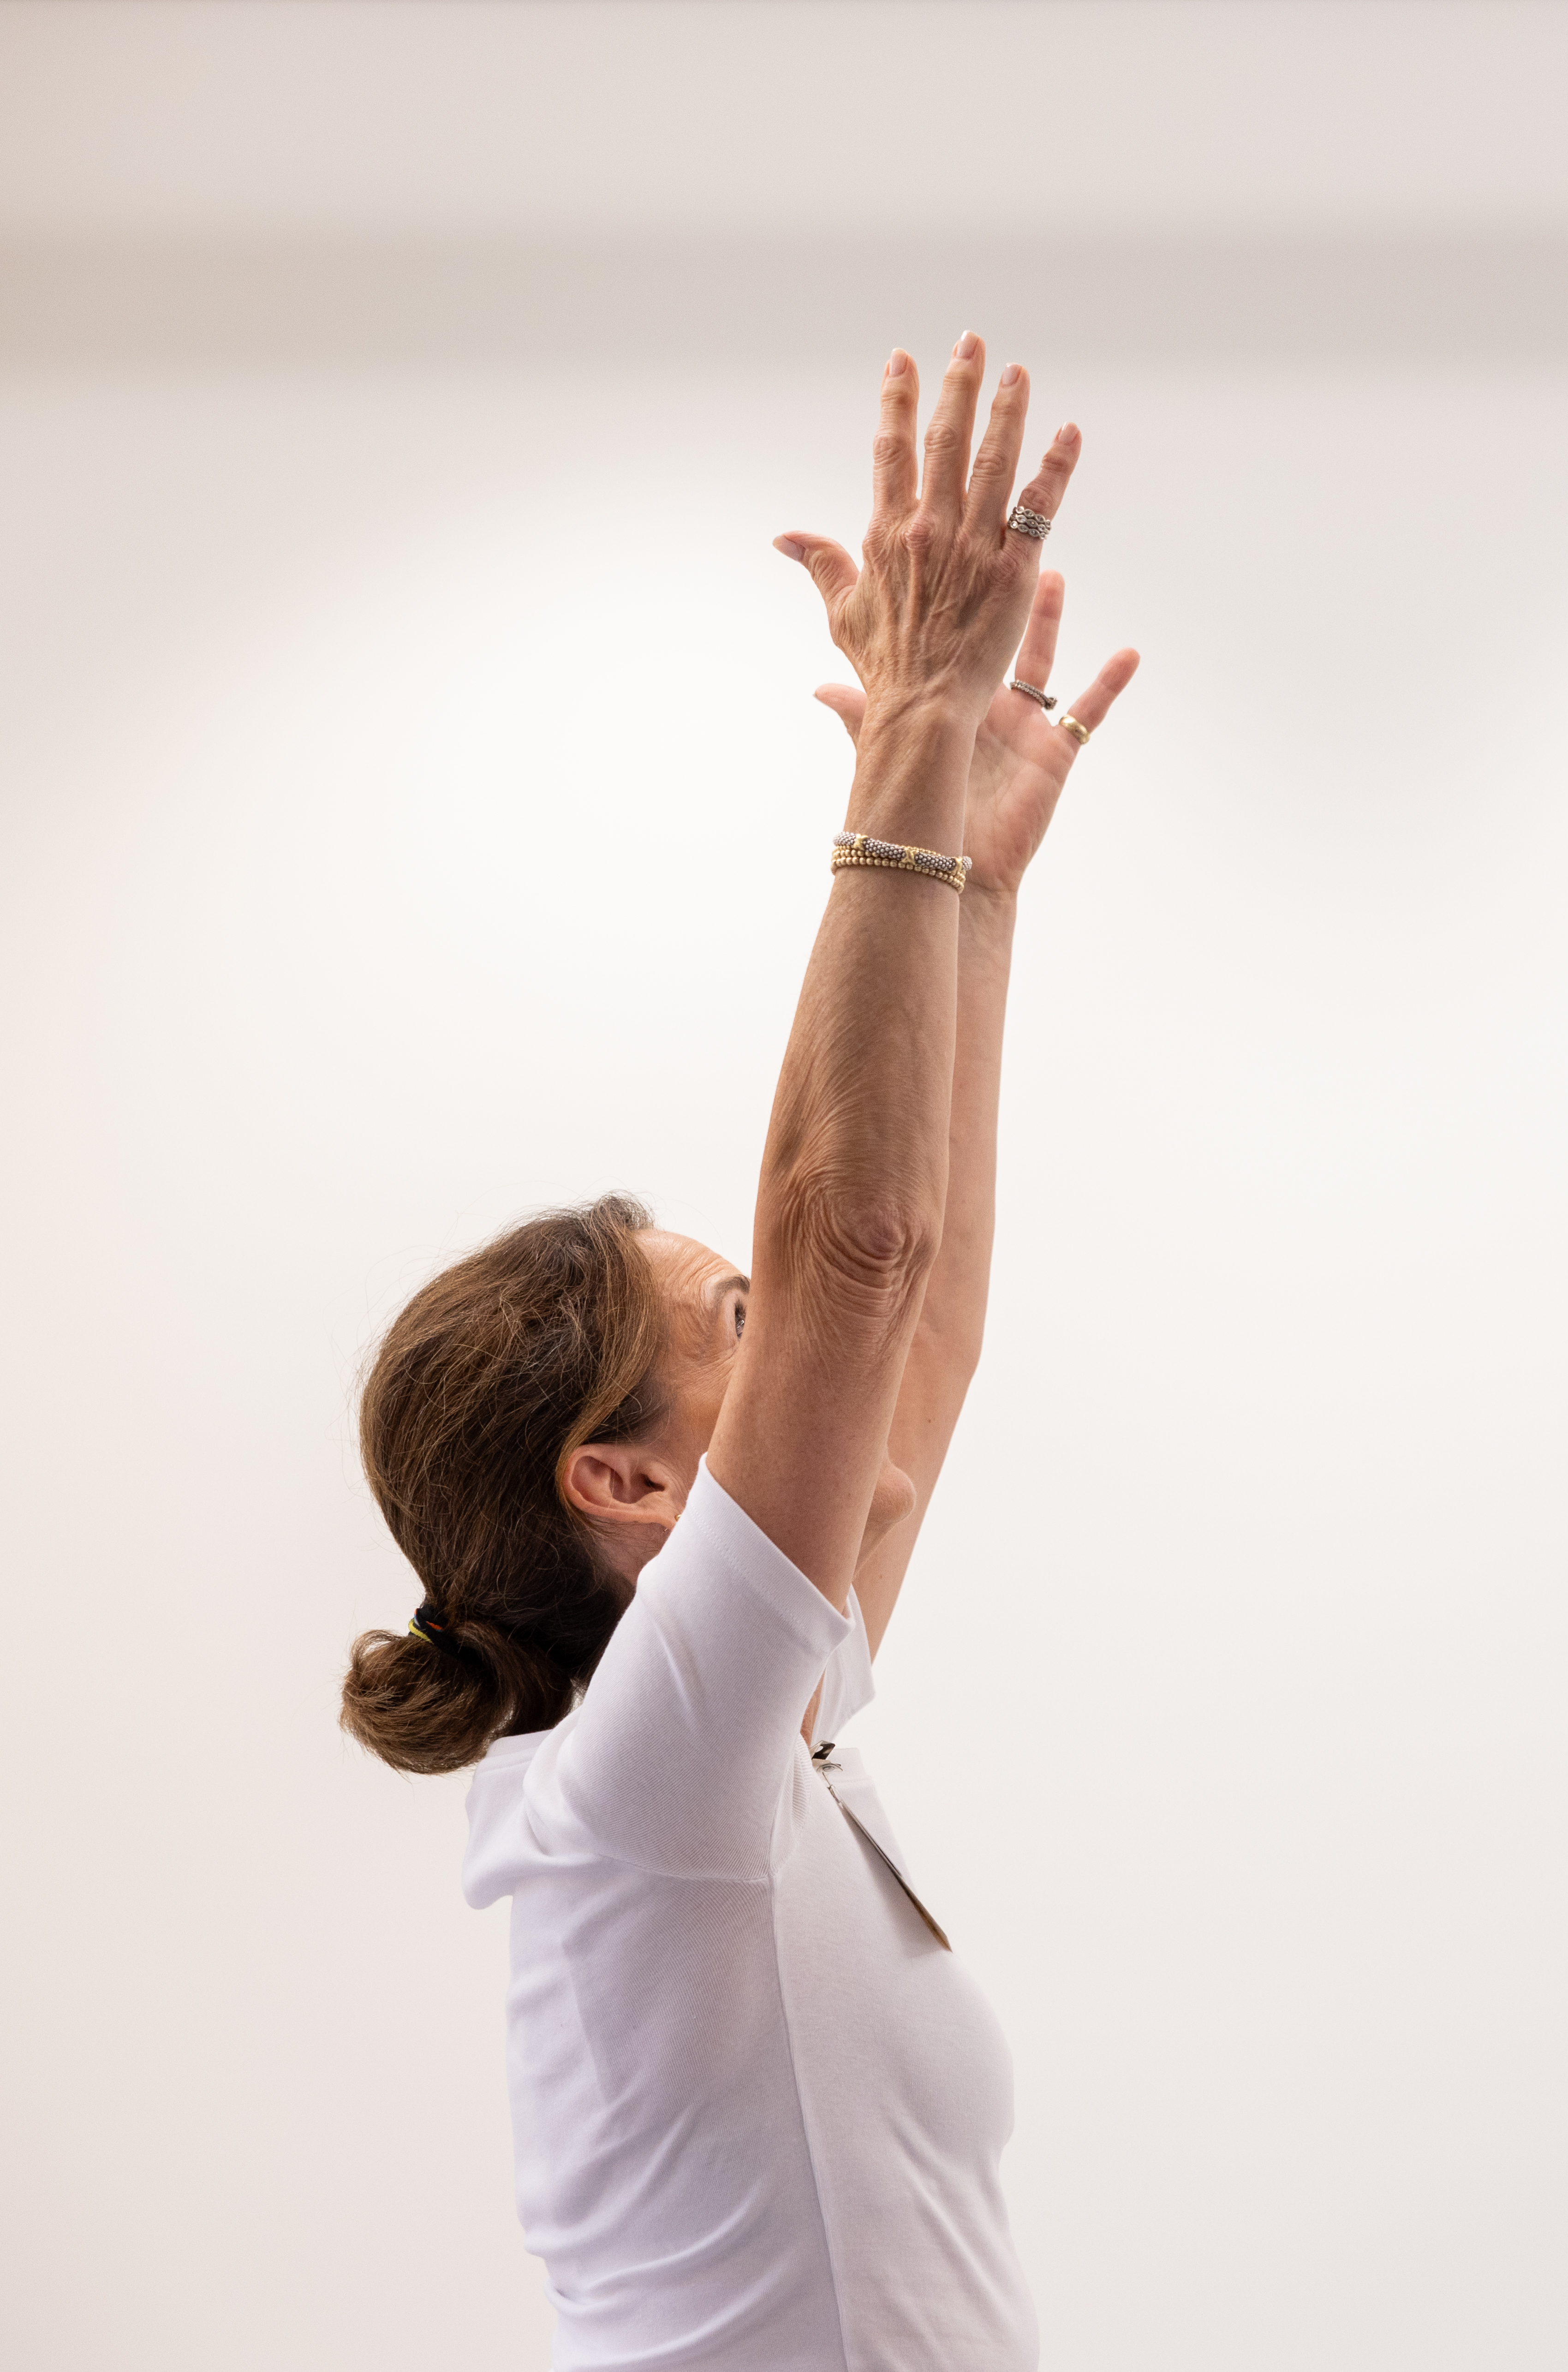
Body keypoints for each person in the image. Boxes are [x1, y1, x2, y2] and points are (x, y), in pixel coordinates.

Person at [336, 337, 1138, 2369]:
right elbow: (856, 1243)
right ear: (618, 1477)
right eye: (734, 1322)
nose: (801, 1341)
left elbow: (914, 1320)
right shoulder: (653, 1780)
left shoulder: (738, 1745)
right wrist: (904, 764)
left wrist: (977, 873)